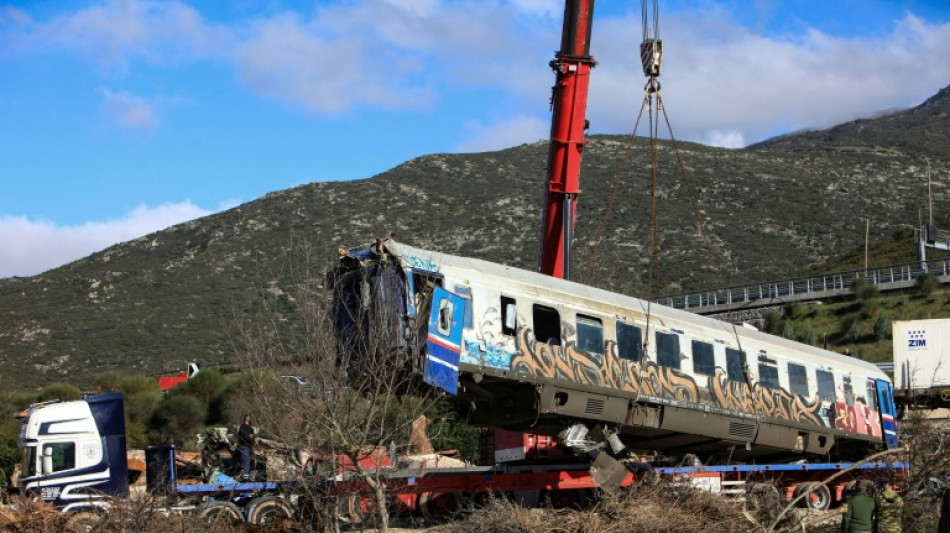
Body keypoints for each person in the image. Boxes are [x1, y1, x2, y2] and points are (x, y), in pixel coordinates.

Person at [237, 414, 255, 480]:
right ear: (245, 418)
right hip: (244, 446)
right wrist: (250, 437)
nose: (248, 418)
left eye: (249, 417)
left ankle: (251, 476)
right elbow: (243, 436)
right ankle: (245, 477)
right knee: (246, 461)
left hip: (250, 446)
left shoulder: (250, 428)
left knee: (252, 462)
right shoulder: (243, 427)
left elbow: (253, 437)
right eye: (247, 417)